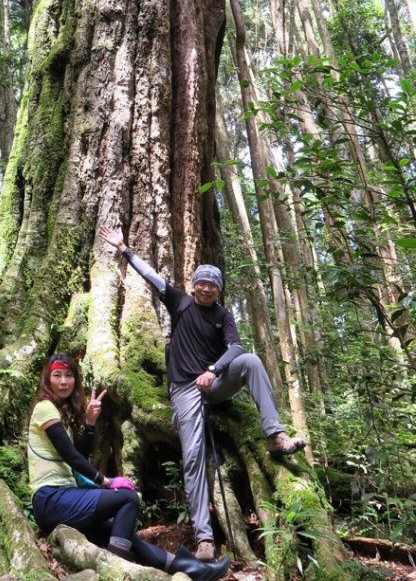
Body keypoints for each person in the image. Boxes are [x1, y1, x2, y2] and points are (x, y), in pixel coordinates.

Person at [99, 224, 306, 561]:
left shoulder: (223, 315)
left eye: (213, 284)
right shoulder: (179, 302)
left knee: (251, 361)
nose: (206, 288)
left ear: (218, 289)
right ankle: (205, 538)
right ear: (193, 285)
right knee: (193, 457)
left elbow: (236, 348)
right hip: (184, 390)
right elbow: (150, 276)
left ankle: (275, 435)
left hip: (212, 383)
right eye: (202, 282)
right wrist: (124, 248)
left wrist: (213, 371)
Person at [27, 353, 230, 581]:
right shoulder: (45, 408)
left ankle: (194, 570)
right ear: (47, 379)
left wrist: (90, 425)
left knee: (125, 534)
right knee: (127, 498)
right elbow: (70, 456)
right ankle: (117, 577)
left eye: (69, 375)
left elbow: (78, 454)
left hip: (62, 500)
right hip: (51, 499)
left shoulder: (59, 413)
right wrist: (105, 481)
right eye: (57, 375)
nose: (64, 381)